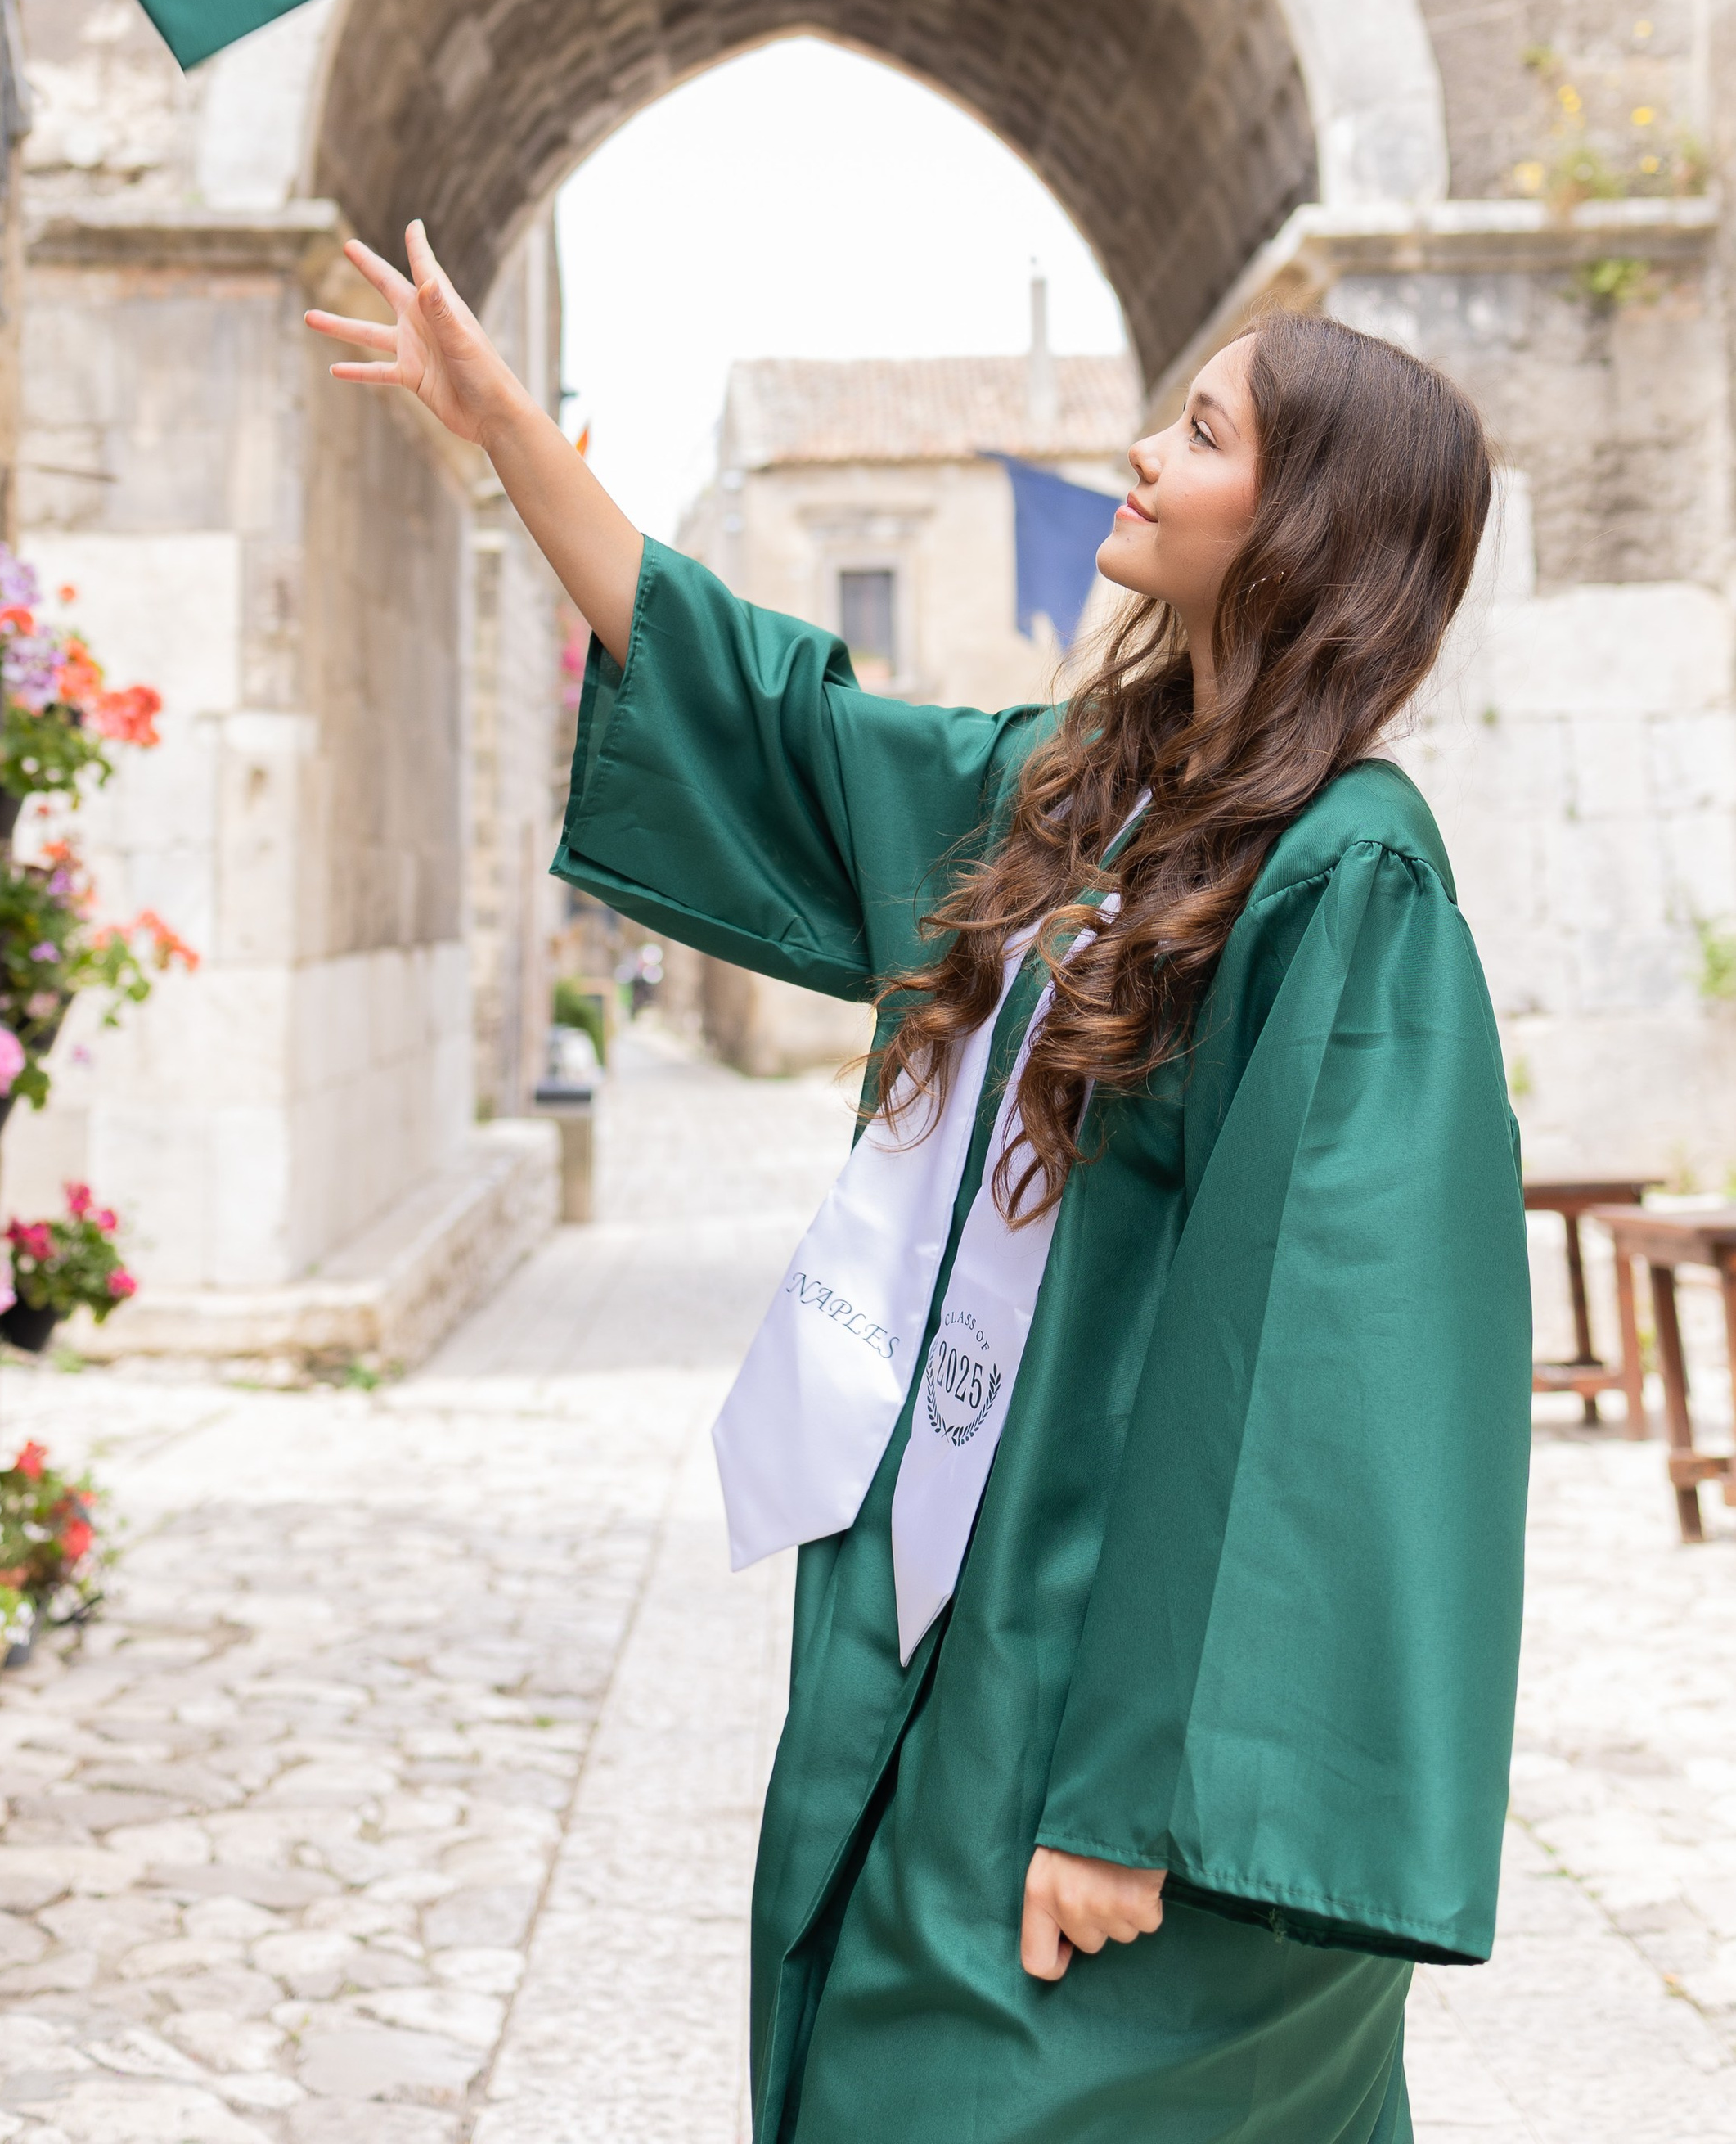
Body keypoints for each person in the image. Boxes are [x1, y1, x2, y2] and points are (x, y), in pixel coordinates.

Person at [311, 225, 1531, 2144]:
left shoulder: (1344, 878)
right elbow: (781, 720)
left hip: (1130, 1691)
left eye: (1197, 433)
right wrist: (502, 435)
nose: (1139, 450)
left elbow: (1320, 1377)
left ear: (1301, 527)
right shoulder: (1092, 785)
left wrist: (1138, 1797)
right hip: (954, 1592)